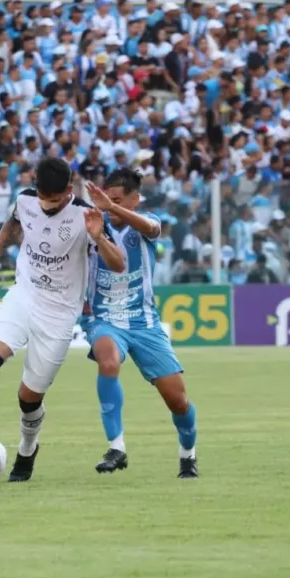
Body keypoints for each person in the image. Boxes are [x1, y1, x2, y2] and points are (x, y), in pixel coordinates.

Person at [0, 157, 125, 482]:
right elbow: (12, 225)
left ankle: (28, 451)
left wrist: (99, 238)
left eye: (56, 200)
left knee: (29, 398)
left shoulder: (87, 215)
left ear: (68, 190)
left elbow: (119, 264)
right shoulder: (26, 200)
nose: (48, 205)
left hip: (59, 312)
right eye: (45, 198)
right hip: (23, 295)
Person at [83, 170, 199, 480]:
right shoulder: (93, 224)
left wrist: (113, 208)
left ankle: (188, 454)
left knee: (178, 401)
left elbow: (151, 227)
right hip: (104, 318)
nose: (109, 207)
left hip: (144, 322)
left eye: (117, 201)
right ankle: (116, 447)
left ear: (136, 199)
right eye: (106, 200)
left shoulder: (147, 224)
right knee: (108, 362)